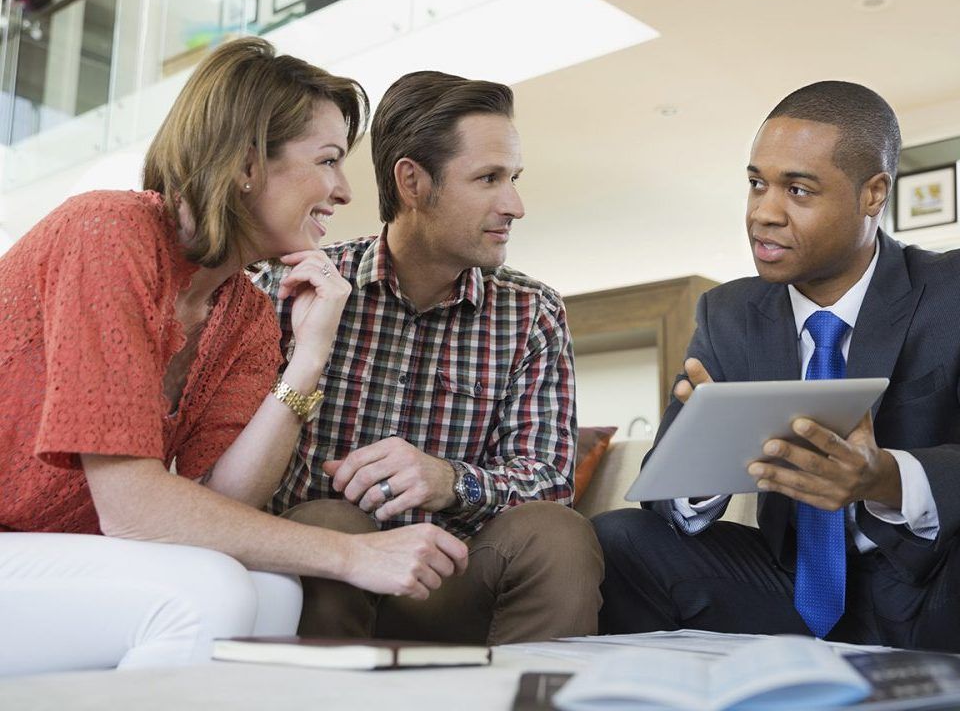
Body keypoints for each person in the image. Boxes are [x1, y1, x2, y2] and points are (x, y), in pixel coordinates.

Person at [0, 38, 467, 677]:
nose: (344, 191)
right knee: (209, 595)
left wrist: (309, 358)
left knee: (273, 593)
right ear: (247, 162)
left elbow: (223, 499)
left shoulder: (243, 311)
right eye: (328, 160)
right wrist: (353, 555)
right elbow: (134, 507)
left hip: (55, 552)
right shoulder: (108, 233)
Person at [595, 81, 960, 651]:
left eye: (798, 189)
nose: (764, 213)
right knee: (618, 537)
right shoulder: (729, 312)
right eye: (756, 183)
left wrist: (885, 477)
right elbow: (664, 491)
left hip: (933, 582)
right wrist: (703, 458)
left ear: (873, 194)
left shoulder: (949, 291)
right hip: (786, 585)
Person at [255, 70, 603, 645]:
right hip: (326, 567)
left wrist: (449, 482)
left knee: (556, 532)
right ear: (412, 182)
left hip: (456, 578)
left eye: (513, 178)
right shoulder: (294, 285)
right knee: (328, 516)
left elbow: (548, 481)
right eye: (489, 178)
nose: (514, 205)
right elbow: (234, 474)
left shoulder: (532, 312)